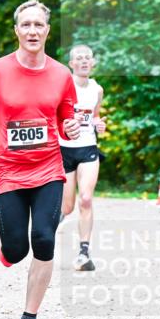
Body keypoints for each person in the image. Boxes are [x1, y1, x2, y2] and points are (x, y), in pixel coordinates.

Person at [0, 0, 80, 319]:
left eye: (39, 25)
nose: (33, 31)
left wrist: (72, 129)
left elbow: (66, 118)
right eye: (26, 25)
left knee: (45, 239)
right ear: (16, 30)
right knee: (17, 250)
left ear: (48, 30)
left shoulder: (62, 74)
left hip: (49, 167)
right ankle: (9, 249)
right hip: (8, 170)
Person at [59, 45, 106, 271]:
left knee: (85, 199)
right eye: (79, 58)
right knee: (66, 208)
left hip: (88, 147)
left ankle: (84, 253)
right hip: (64, 148)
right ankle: (46, 231)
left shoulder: (97, 90)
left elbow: (95, 117)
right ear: (71, 64)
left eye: (88, 58)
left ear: (93, 63)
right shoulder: (62, 86)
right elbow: (52, 115)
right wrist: (67, 121)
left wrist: (99, 124)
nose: (84, 61)